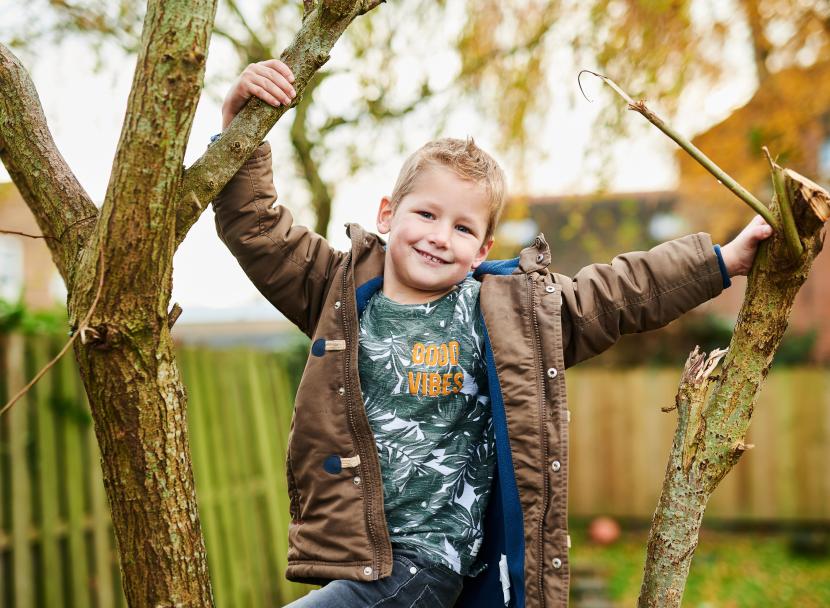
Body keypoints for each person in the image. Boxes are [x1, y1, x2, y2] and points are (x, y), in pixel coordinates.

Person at [212, 60, 773, 608]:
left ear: (482, 249)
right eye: (426, 215)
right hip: (362, 560)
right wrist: (241, 127)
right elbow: (258, 229)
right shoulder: (334, 290)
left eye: (462, 227)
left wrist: (722, 260)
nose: (439, 237)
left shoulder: (504, 317)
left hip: (432, 564)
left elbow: (617, 296)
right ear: (387, 214)